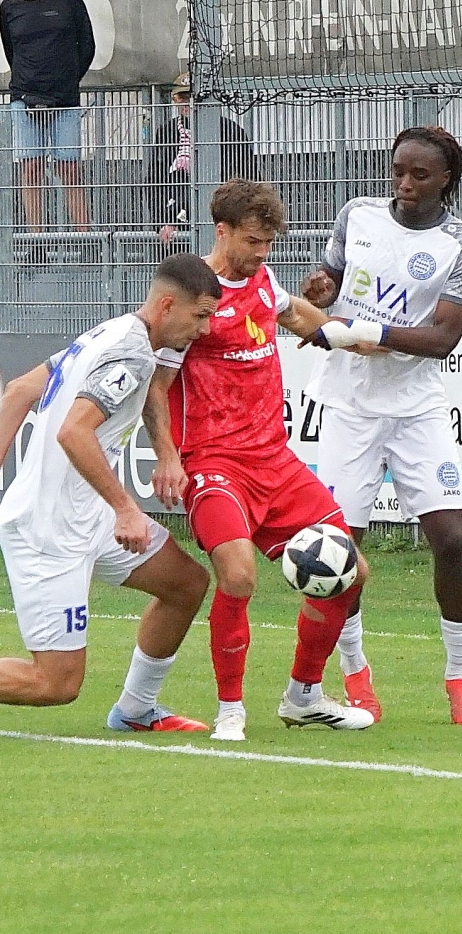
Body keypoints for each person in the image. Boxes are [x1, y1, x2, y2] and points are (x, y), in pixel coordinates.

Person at [148, 178, 375, 741]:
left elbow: (299, 317)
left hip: (274, 459)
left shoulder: (264, 281)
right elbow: (157, 385)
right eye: (252, 241)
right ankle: (231, 708)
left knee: (352, 571)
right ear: (221, 231)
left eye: (269, 243)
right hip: (214, 463)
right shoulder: (194, 296)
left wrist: (362, 336)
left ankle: (304, 695)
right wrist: (168, 458)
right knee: (238, 574)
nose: (261, 253)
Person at [301, 127, 462, 726]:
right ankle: (355, 671)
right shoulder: (357, 215)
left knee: (452, 539)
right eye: (399, 170)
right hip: (349, 407)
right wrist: (320, 289)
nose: (405, 184)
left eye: (420, 175)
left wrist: (367, 332)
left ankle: (459, 673)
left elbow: (442, 338)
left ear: (446, 181)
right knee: (340, 549)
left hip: (416, 409)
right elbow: (328, 282)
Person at [0, 255, 217, 731]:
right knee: (55, 684)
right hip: (50, 531)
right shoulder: (131, 355)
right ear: (167, 305)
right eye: (200, 316)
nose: (204, 330)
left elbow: (18, 390)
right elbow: (74, 431)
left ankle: (135, 711)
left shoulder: (109, 334)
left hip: (89, 519)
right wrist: (126, 509)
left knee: (185, 584)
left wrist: (162, 458)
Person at [1, 0, 93, 231]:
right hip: (25, 100)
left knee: (70, 169)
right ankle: (36, 239)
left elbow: (87, 45)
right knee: (31, 169)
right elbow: (11, 51)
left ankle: (85, 237)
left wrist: (67, 79)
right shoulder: (8, 8)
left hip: (64, 101)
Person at [144, 75, 261, 242]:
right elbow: (155, 180)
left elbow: (248, 176)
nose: (186, 103)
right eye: (181, 97)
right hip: (176, 215)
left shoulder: (230, 130)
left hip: (221, 213)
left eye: (191, 97)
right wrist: (162, 222)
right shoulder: (166, 132)